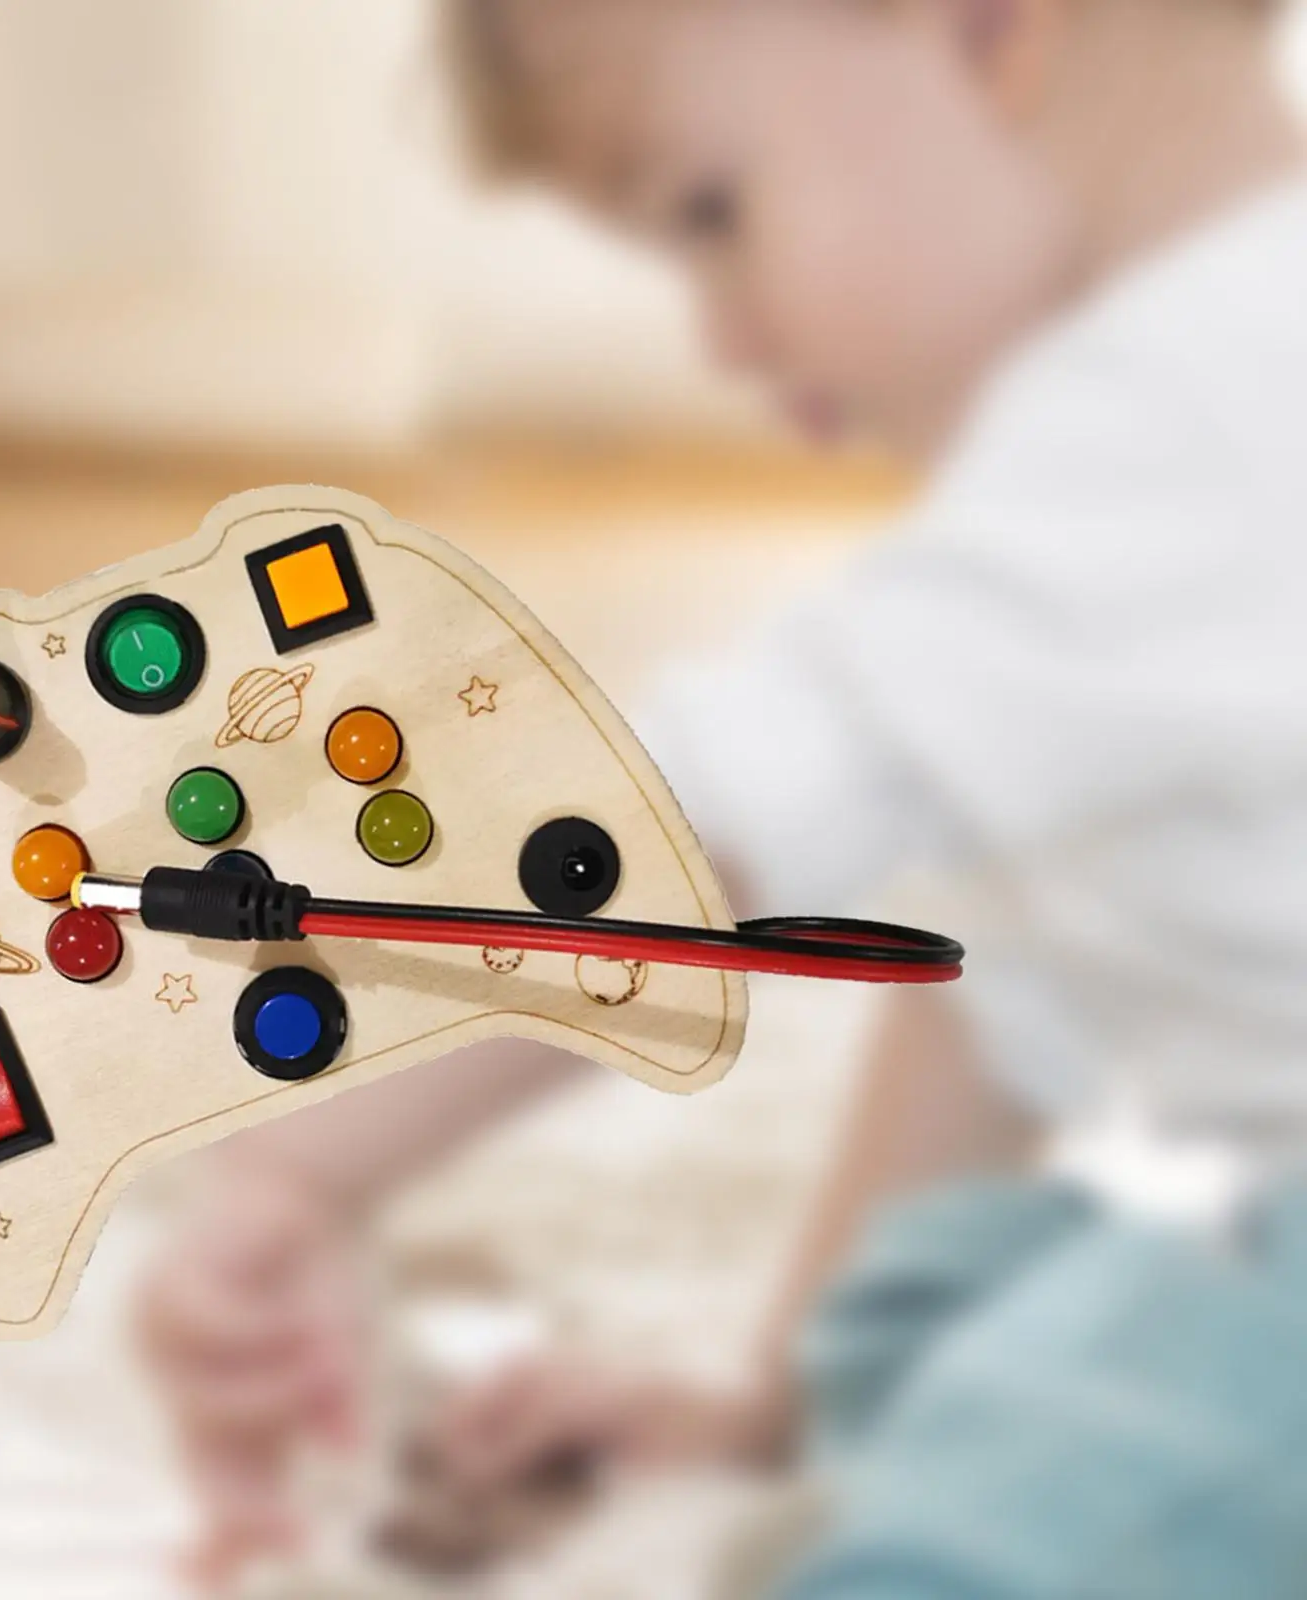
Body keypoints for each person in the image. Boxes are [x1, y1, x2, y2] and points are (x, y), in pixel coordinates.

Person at [140, 0, 1307, 1590]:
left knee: (1076, 1434)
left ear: (993, 29)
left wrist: (298, 1159)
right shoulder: (1194, 425)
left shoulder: (1186, 407)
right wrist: (783, 1403)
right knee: (970, 1285)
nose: (727, 343)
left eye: (713, 215)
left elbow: (680, 840)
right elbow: (1000, 985)